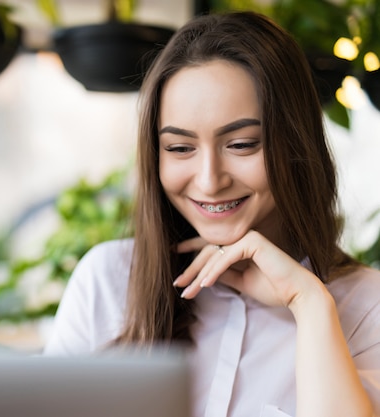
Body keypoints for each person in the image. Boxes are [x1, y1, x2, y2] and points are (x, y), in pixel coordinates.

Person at [42, 11, 380, 417]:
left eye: (241, 144)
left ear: (295, 143)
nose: (209, 181)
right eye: (180, 148)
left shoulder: (367, 305)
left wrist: (306, 300)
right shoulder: (107, 282)